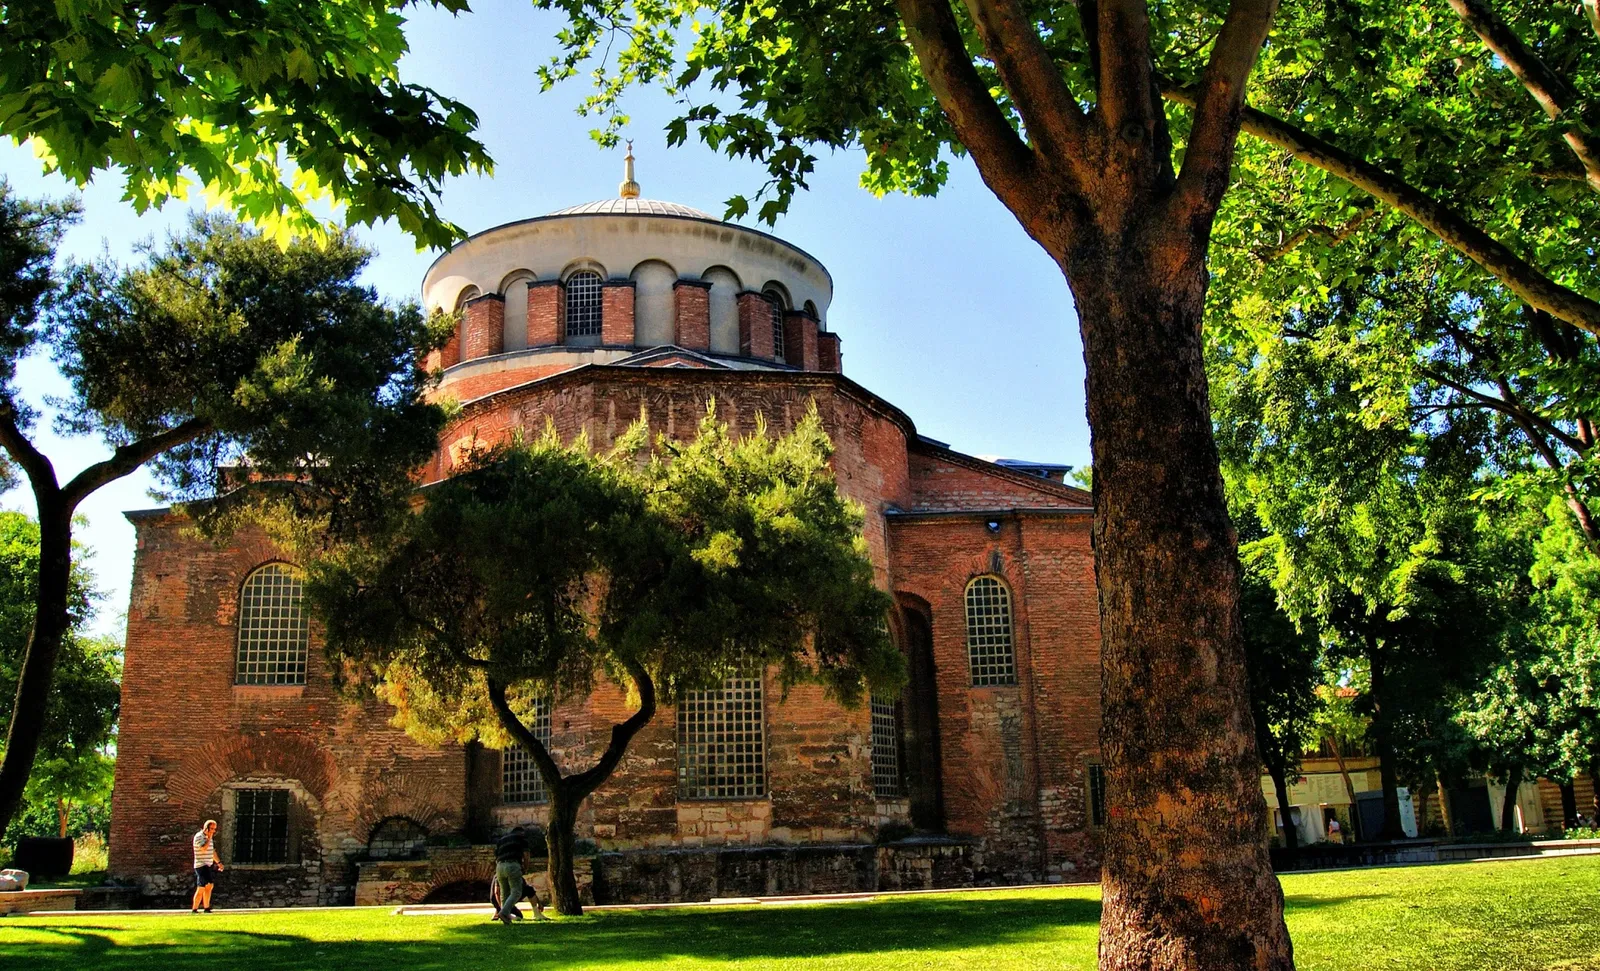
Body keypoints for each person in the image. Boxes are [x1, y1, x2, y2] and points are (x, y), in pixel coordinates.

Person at [493, 826, 533, 925]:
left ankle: (506, 919)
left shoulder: (502, 840)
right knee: (516, 892)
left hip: (499, 866)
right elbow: (526, 855)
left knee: (504, 893)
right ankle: (503, 913)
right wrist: (525, 868)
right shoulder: (521, 839)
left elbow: (496, 856)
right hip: (512, 865)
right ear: (521, 833)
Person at [191, 819, 225, 912]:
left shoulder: (209, 838)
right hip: (201, 865)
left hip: (208, 864)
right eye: (212, 829)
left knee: (203, 886)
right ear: (206, 828)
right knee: (208, 884)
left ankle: (203, 907)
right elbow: (203, 849)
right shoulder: (199, 836)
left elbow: (212, 852)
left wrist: (218, 863)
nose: (213, 831)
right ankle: (201, 908)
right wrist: (209, 838)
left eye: (215, 829)